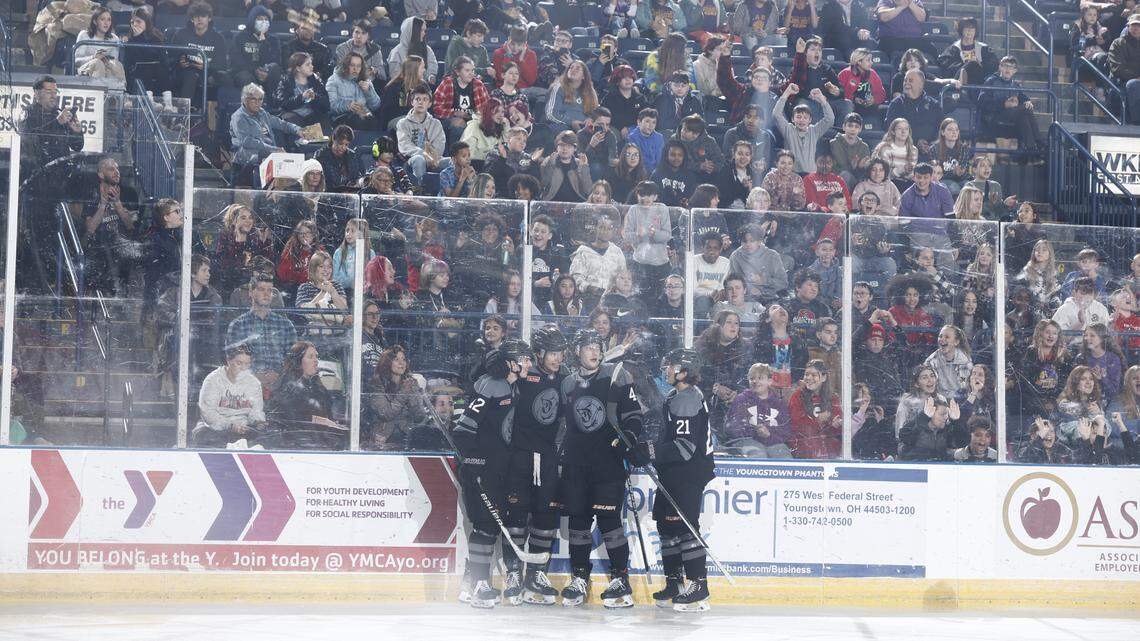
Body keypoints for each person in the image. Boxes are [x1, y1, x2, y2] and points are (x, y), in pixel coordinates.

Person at [558, 329, 644, 608]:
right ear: (577, 351)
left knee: (609, 523)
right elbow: (562, 425)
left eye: (597, 346)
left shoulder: (617, 376)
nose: (593, 351)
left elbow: (634, 416)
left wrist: (628, 439)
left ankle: (621, 579)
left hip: (607, 464)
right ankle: (580, 577)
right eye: (587, 347)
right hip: (576, 464)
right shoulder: (568, 384)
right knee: (579, 522)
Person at [634, 348, 715, 611]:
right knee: (667, 527)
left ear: (684, 371)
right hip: (674, 471)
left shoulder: (687, 399)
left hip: (688, 472)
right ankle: (674, 581)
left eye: (671, 365)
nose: (666, 369)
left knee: (684, 527)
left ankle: (698, 584)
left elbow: (684, 447)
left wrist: (649, 452)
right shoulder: (675, 396)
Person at [502, 326, 569, 604]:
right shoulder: (523, 375)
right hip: (520, 455)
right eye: (552, 352)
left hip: (549, 458)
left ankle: (537, 574)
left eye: (561, 353)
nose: (557, 358)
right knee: (516, 514)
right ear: (539, 353)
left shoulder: (566, 380)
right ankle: (514, 572)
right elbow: (493, 370)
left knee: (545, 517)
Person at [226, 273, 300, 387]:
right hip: (247, 384)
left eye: (270, 290)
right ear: (251, 292)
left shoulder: (285, 325)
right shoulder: (238, 325)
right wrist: (254, 376)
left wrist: (279, 375)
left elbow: (294, 358)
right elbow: (233, 360)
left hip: (281, 384)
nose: (266, 294)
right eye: (261, 289)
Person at [267, 341, 343, 445]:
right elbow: (295, 419)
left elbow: (326, 412)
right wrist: (325, 422)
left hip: (318, 436)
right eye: (311, 357)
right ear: (298, 361)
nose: (316, 361)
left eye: (316, 357)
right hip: (298, 441)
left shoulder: (316, 384)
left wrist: (332, 423)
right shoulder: (287, 385)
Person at [230, 83, 304, 187]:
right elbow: (248, 142)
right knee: (270, 159)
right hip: (247, 158)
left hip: (268, 155)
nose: (257, 103)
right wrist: (273, 149)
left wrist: (298, 130)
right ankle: (262, 196)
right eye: (253, 99)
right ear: (245, 100)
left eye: (260, 99)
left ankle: (287, 194)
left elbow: (281, 124)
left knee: (292, 162)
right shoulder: (239, 117)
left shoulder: (262, 113)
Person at [193, 344, 266, 448]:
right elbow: (207, 413)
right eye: (239, 363)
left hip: (244, 428)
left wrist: (258, 421)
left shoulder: (254, 383)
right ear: (228, 361)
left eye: (247, 364)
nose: (244, 368)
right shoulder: (213, 380)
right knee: (205, 437)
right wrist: (230, 425)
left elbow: (256, 411)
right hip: (215, 428)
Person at [978, 56, 1044, 157]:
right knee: (1025, 110)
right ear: (1000, 67)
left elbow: (1024, 97)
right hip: (994, 118)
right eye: (1006, 66)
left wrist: (1027, 101)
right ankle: (1039, 141)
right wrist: (1004, 104)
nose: (1008, 69)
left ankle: (1031, 147)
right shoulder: (991, 81)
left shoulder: (1015, 85)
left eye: (1012, 67)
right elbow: (982, 101)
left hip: (1013, 118)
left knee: (1024, 117)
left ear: (1015, 71)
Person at [366, 345, 427, 449]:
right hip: (383, 439)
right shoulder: (376, 384)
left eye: (403, 359)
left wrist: (413, 393)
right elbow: (386, 414)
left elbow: (419, 416)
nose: (401, 363)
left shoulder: (411, 383)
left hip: (407, 436)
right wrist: (404, 392)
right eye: (396, 359)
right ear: (387, 362)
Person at [171, 2, 229, 105]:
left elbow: (222, 64)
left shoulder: (218, 38)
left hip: (209, 74)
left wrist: (206, 66)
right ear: (192, 19)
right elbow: (170, 58)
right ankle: (184, 113)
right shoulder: (181, 34)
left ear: (209, 18)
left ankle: (216, 114)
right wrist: (179, 62)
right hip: (185, 72)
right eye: (196, 16)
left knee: (224, 78)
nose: (199, 19)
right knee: (191, 75)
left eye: (203, 16)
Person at [773, 83, 835, 174]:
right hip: (792, 174)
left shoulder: (814, 130)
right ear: (792, 119)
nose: (802, 120)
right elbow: (776, 114)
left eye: (805, 117)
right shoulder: (788, 129)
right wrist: (787, 93)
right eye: (798, 117)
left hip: (810, 175)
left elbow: (830, 119)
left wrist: (822, 99)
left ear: (810, 120)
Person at [789, 359, 842, 458]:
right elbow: (797, 424)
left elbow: (838, 429)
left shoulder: (833, 398)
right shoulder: (797, 396)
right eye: (806, 374)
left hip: (827, 445)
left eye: (814, 375)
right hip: (804, 444)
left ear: (824, 377)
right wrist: (818, 421)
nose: (809, 378)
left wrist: (835, 425)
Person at [396, 84, 448, 184]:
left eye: (425, 99)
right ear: (412, 102)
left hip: (434, 159)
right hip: (411, 159)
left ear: (429, 104)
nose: (421, 102)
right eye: (417, 99)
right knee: (419, 159)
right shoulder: (403, 123)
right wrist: (424, 155)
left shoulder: (436, 123)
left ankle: (447, 193)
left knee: (453, 162)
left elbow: (440, 146)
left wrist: (432, 157)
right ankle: (420, 190)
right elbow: (404, 146)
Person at [434, 56, 491, 146]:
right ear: (457, 72)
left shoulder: (478, 85)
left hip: (473, 120)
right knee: (458, 124)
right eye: (467, 71)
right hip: (448, 119)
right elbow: (436, 108)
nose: (471, 74)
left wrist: (476, 117)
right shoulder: (447, 83)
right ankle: (454, 155)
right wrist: (454, 113)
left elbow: (487, 108)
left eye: (472, 70)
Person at [885, 70, 943, 154]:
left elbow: (941, 130)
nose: (906, 83)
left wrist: (931, 145)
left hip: (930, 151)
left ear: (921, 84)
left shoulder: (934, 105)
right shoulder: (896, 104)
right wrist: (915, 143)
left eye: (910, 80)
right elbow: (891, 130)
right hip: (904, 152)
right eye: (905, 80)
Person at [231, 5, 281, 92]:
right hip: (246, 72)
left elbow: (276, 61)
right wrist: (255, 70)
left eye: (266, 19)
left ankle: (273, 103)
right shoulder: (240, 37)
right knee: (244, 76)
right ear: (252, 20)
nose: (263, 22)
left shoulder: (273, 40)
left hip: (266, 73)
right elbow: (237, 61)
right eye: (260, 19)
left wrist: (264, 42)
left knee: (275, 71)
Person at [326, 52, 382, 129]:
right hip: (342, 117)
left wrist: (368, 91)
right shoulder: (333, 80)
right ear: (346, 65)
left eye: (358, 66)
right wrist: (348, 105)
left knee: (375, 122)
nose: (355, 69)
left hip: (364, 115)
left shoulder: (366, 80)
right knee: (357, 120)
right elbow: (332, 107)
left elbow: (376, 106)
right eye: (352, 65)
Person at [938, 16, 997, 88]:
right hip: (958, 80)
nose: (969, 31)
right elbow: (944, 63)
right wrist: (965, 64)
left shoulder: (984, 48)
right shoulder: (954, 48)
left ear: (976, 31)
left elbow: (994, 65)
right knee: (970, 64)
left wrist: (980, 63)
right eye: (966, 28)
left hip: (980, 79)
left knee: (974, 65)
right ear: (961, 30)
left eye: (972, 28)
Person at [274, 52, 330, 126]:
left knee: (323, 121)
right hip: (292, 116)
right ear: (298, 68)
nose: (312, 66)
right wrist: (301, 97)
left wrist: (315, 97)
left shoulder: (316, 80)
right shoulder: (286, 81)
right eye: (308, 64)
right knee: (292, 122)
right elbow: (283, 103)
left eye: (311, 63)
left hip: (312, 115)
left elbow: (326, 104)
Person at [74, 6, 125, 80]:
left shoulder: (114, 39)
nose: (106, 23)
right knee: (98, 63)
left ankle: (118, 90)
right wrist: (93, 57)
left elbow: (114, 60)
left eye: (109, 20)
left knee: (117, 65)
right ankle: (97, 91)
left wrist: (106, 61)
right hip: (86, 69)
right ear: (95, 21)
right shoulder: (84, 35)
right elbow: (76, 61)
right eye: (102, 19)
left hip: (106, 68)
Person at [540, 131, 593, 202]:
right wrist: (551, 164)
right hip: (552, 203)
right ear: (556, 147)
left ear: (575, 148)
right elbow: (543, 183)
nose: (565, 149)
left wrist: (584, 167)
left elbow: (588, 190)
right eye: (561, 145)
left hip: (576, 204)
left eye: (569, 146)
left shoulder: (580, 163)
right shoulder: (549, 160)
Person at [1108, 13, 1140, 125]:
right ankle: (1136, 124)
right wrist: (1136, 77)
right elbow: (1117, 69)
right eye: (1133, 25)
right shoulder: (1118, 43)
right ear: (1128, 26)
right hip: (1121, 82)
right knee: (1133, 84)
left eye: (1139, 25)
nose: (1136, 28)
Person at [335, 19, 387, 84]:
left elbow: (383, 75)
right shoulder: (342, 49)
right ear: (352, 33)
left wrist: (375, 71)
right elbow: (338, 72)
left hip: (368, 87)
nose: (359, 36)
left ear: (368, 36)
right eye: (357, 32)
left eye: (363, 33)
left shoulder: (375, 50)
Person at [389, 17, 438, 83]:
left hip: (423, 88)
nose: (424, 33)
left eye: (424, 30)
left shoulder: (428, 50)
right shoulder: (396, 51)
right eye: (421, 30)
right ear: (411, 32)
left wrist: (430, 76)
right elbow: (394, 75)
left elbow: (432, 67)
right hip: (402, 88)